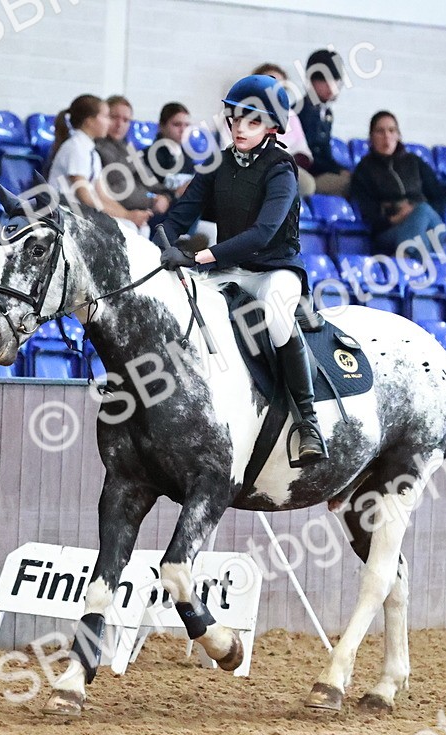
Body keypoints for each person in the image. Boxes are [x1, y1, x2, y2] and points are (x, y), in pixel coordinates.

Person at [159, 74, 326, 466]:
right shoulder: (216, 164)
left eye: (252, 122)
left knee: (277, 318)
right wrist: (162, 239)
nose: (240, 129)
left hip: (274, 270)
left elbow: (263, 233)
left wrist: (199, 257)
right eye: (235, 120)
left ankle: (308, 421)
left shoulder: (282, 170)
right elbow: (181, 216)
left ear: (271, 127)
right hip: (229, 269)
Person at [350, 111, 446, 257]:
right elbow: (369, 214)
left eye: (391, 130)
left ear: (398, 135)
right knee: (424, 232)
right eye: (380, 131)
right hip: (390, 229)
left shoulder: (414, 162)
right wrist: (398, 217)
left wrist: (415, 213)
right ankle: (410, 259)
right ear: (371, 137)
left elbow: (439, 196)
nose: (386, 136)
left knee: (425, 212)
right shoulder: (364, 170)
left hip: (426, 223)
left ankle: (406, 257)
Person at [46, 94, 151, 228]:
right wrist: (127, 217)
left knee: (139, 227)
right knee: (129, 228)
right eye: (106, 117)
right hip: (65, 215)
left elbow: (102, 194)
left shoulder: (91, 151)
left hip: (79, 213)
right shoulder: (76, 148)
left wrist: (128, 214)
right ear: (89, 121)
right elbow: (85, 197)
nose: (109, 122)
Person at [94, 95, 172, 226]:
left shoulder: (128, 148)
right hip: (113, 213)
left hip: (139, 211)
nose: (120, 124)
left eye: (125, 120)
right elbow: (117, 189)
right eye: (114, 117)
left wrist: (165, 196)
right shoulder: (96, 148)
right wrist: (151, 201)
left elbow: (150, 181)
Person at [251, 62, 315, 197]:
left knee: (307, 184)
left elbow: (303, 151)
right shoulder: (239, 113)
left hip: (284, 168)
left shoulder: (291, 116)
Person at [295, 49, 351, 197]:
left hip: (318, 172)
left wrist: (340, 169)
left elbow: (326, 153)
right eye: (325, 81)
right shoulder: (300, 111)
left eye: (335, 81)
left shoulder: (326, 114)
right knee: (355, 185)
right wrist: (337, 171)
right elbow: (307, 156)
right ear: (311, 81)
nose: (331, 87)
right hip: (305, 173)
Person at [149, 102, 197, 191]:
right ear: (161, 126)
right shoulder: (149, 156)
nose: (183, 130)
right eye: (177, 124)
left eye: (186, 125)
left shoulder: (188, 156)